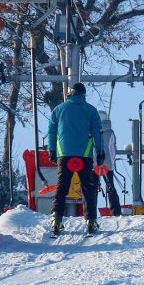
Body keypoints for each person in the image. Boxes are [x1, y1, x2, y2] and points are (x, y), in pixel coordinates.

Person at [47, 82, 103, 236]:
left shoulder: (58, 109)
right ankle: (90, 221)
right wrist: (100, 151)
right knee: (87, 188)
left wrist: (51, 150)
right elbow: (97, 132)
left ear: (70, 93)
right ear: (83, 95)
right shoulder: (91, 110)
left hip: (64, 155)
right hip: (84, 155)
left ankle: (56, 220)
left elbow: (51, 132)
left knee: (62, 187)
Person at [98, 110, 122, 216]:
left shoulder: (91, 130)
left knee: (92, 187)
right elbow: (113, 149)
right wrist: (111, 162)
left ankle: (90, 212)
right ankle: (116, 211)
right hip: (108, 164)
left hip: (94, 163)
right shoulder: (110, 132)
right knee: (110, 186)